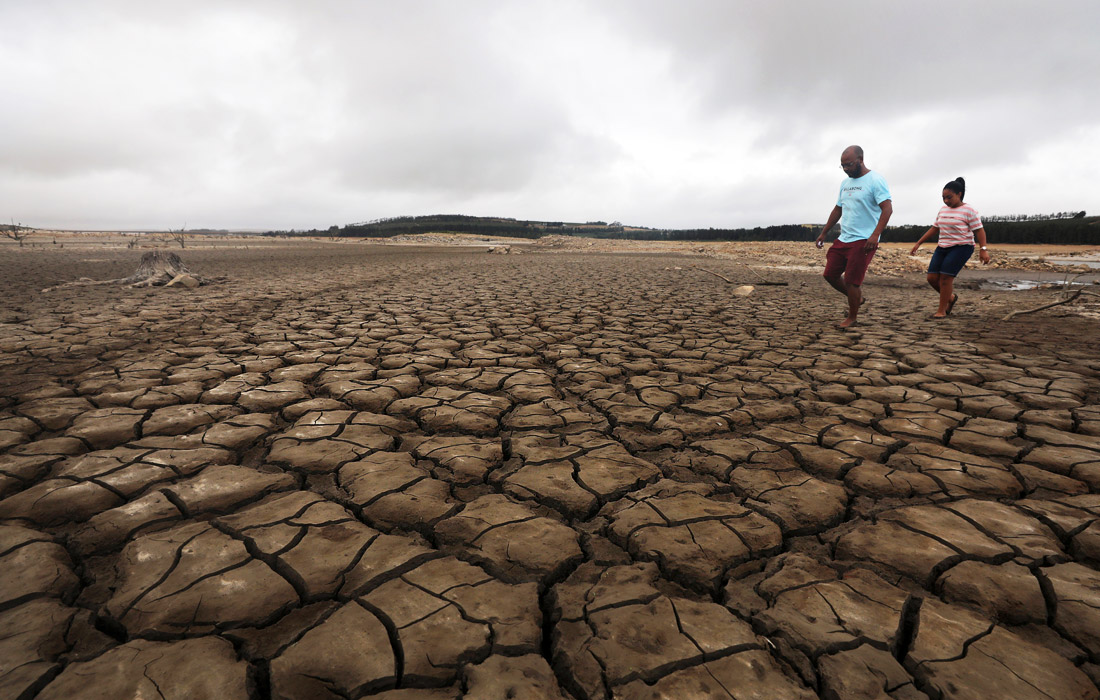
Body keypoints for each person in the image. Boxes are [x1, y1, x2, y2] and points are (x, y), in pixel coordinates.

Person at [815, 145, 893, 328]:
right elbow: (838, 209)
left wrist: (875, 235)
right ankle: (858, 299)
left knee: (852, 280)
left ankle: (852, 317)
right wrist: (824, 232)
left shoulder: (875, 180)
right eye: (842, 166)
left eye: (849, 165)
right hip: (844, 238)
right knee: (830, 274)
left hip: (864, 239)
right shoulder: (845, 183)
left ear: (860, 160)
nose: (846, 169)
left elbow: (887, 209)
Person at [909, 177, 991, 318]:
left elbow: (979, 231)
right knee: (932, 278)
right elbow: (935, 228)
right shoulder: (943, 210)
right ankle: (951, 298)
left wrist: (983, 250)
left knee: (946, 278)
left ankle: (941, 310)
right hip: (943, 247)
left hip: (962, 247)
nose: (946, 201)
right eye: (943, 198)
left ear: (959, 194)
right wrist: (918, 243)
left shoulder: (969, 210)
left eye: (949, 197)